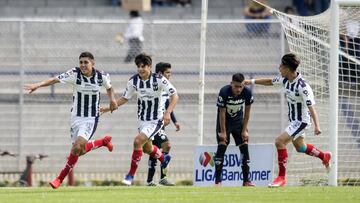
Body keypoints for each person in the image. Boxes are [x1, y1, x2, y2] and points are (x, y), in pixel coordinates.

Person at [24, 52, 118, 189]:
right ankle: (102, 142)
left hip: (91, 118)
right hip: (76, 117)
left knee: (76, 148)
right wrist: (37, 85)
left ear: (93, 63)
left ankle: (59, 179)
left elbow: (109, 88)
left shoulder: (101, 76)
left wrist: (113, 100)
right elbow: (55, 79)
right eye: (81, 62)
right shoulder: (74, 74)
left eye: (86, 62)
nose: (83, 65)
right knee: (79, 150)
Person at [244, 53, 331, 187]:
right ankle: (323, 156)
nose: (279, 68)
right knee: (300, 147)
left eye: (281, 66)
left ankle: (281, 177)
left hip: (301, 121)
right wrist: (253, 81)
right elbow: (270, 81)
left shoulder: (303, 86)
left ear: (288, 69)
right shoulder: (285, 80)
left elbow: (311, 106)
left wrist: (317, 126)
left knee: (279, 141)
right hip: (293, 120)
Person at [101, 53, 179, 186]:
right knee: (147, 148)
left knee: (137, 141)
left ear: (150, 67)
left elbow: (175, 96)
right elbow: (125, 98)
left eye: (143, 66)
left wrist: (168, 113)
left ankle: (130, 176)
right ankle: (163, 158)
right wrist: (108, 108)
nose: (140, 69)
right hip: (142, 120)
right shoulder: (133, 81)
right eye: (138, 66)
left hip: (156, 119)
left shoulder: (160, 79)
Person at [214, 73, 255, 187]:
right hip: (225, 122)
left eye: (241, 86)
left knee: (244, 145)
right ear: (231, 84)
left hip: (238, 122)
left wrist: (245, 129)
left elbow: (247, 112)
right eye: (236, 86)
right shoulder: (224, 92)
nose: (238, 89)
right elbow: (221, 112)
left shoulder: (247, 92)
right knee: (222, 145)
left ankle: (246, 181)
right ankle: (218, 181)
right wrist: (223, 131)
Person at [146, 62, 180, 186]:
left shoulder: (165, 87)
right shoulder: (155, 85)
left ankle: (151, 180)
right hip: (152, 123)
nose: (169, 75)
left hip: (160, 124)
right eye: (167, 73)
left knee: (154, 150)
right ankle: (160, 178)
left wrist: (175, 121)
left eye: (170, 72)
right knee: (165, 146)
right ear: (160, 73)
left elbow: (167, 106)